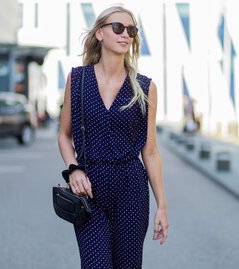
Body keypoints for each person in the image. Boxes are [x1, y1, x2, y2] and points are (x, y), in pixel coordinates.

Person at [57, 5, 169, 268]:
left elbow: (150, 151)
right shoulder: (77, 79)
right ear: (99, 34)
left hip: (131, 189)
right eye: (118, 28)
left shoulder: (145, 87)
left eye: (131, 30)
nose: (125, 35)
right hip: (89, 190)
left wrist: (162, 205)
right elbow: (64, 135)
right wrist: (73, 169)